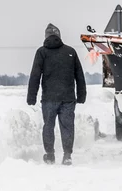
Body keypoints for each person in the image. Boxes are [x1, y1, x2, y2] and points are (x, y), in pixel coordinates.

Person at [27, 23, 86, 165]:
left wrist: (31, 96)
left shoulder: (41, 52)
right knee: (67, 126)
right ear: (59, 36)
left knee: (48, 126)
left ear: (46, 36)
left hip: (49, 98)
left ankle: (50, 155)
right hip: (68, 98)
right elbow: (79, 75)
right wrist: (81, 95)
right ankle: (67, 155)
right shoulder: (70, 51)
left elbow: (35, 75)